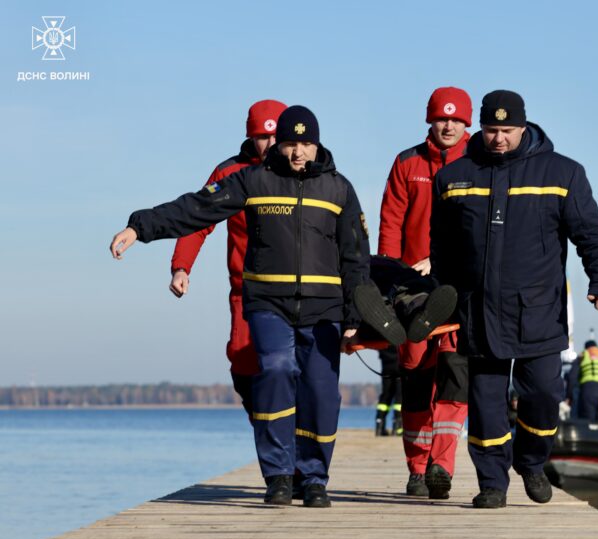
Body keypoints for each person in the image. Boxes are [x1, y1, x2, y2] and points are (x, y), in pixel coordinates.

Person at [110, 106, 370, 508]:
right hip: (268, 303)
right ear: (277, 145)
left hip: (325, 309)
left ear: (317, 145)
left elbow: (356, 258)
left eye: (305, 144)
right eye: (289, 143)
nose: (297, 152)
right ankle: (279, 475)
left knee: (321, 390)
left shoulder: (339, 190)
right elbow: (195, 208)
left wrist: (356, 317)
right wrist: (139, 227)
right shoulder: (252, 180)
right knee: (275, 370)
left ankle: (314, 478)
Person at [431, 89, 598, 508]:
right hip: (477, 310)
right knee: (485, 403)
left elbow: (592, 235)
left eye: (507, 130)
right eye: (491, 130)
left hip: (538, 310)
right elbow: (442, 248)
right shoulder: (453, 178)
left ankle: (531, 462)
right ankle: (492, 484)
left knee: (544, 395)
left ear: (523, 126)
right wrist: (439, 302)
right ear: (480, 127)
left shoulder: (563, 173)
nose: (499, 138)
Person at [375, 87, 472, 500]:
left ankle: (441, 467)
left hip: (460, 288)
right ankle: (416, 469)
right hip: (412, 292)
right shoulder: (406, 162)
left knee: (454, 378)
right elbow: (390, 224)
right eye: (440, 118)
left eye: (456, 119)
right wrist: (389, 279)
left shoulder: (480, 163)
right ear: (430, 121)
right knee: (415, 379)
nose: (448, 125)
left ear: (468, 123)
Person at [169, 99, 287, 424]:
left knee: (290, 366)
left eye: (276, 136)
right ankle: (264, 422)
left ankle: (288, 442)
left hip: (293, 292)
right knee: (242, 361)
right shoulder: (230, 172)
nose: (270, 145)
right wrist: (181, 266)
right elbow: (198, 219)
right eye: (262, 137)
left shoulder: (302, 171)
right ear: (250, 137)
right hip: (246, 292)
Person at [374, 346, 403, 436]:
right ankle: (397, 428)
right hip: (399, 365)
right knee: (399, 396)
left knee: (385, 395)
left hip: (386, 365)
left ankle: (379, 427)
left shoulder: (384, 333)